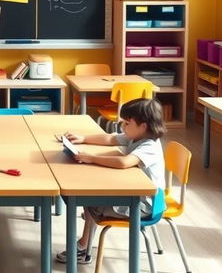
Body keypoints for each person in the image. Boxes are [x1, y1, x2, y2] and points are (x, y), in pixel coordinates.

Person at [56, 98, 166, 264]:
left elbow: (123, 162)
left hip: (143, 204)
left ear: (143, 126)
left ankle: (83, 247)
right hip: (133, 192)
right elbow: (110, 139)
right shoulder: (135, 136)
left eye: (127, 123)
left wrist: (91, 158)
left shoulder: (150, 146)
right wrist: (83, 138)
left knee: (88, 200)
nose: (122, 126)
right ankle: (84, 244)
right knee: (89, 197)